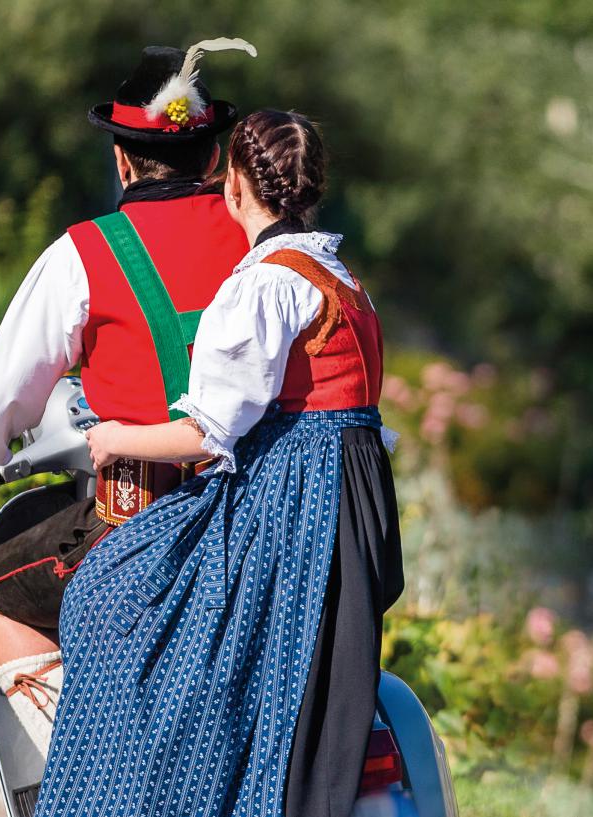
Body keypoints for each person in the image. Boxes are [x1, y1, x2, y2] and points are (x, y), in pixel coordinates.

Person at [35, 110, 404, 817]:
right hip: (343, 509)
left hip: (286, 510)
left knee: (107, 594)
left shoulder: (262, 284)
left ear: (234, 185)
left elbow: (204, 434)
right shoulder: (342, 279)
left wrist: (113, 438)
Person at [0, 38, 256, 771]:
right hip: (258, 524)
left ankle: (86, 767)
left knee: (1, 587)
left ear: (122, 160)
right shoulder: (263, 247)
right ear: (213, 157)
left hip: (136, 522)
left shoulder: (85, 254)